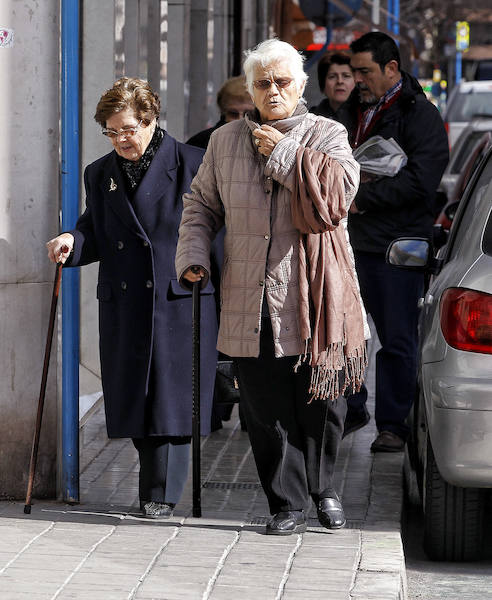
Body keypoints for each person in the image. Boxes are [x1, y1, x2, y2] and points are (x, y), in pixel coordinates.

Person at [176, 39, 364, 535]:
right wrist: (194, 255)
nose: (273, 90)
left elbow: (338, 197)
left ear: (301, 86)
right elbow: (200, 206)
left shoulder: (328, 134)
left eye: (283, 81)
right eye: (263, 83)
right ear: (251, 89)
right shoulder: (224, 141)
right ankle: (287, 504)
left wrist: (284, 152)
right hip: (248, 293)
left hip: (314, 296)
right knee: (264, 409)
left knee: (322, 402)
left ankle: (325, 488)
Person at [46, 77, 217, 519]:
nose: (121, 139)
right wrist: (72, 241)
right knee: (137, 398)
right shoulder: (99, 173)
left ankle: (159, 494)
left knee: (172, 400)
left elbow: (222, 234)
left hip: (178, 297)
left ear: (151, 120)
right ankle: (154, 490)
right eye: (112, 130)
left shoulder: (192, 163)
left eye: (128, 129)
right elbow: (96, 230)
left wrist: (211, 274)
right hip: (125, 301)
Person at [345, 32, 449, 452]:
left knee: (397, 339)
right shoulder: (353, 110)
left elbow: (422, 183)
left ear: (392, 69)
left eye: (365, 71)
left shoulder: (418, 114)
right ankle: (351, 410)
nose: (358, 80)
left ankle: (393, 426)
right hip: (353, 242)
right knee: (348, 336)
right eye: (354, 72)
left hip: (397, 248)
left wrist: (361, 199)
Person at [186, 75, 255, 149]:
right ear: (223, 113)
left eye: (248, 114)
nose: (240, 120)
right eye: (233, 114)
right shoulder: (200, 143)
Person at [310, 53, 356, 133]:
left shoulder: (364, 117)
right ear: (323, 84)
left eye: (346, 76)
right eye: (332, 76)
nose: (340, 81)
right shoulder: (312, 119)